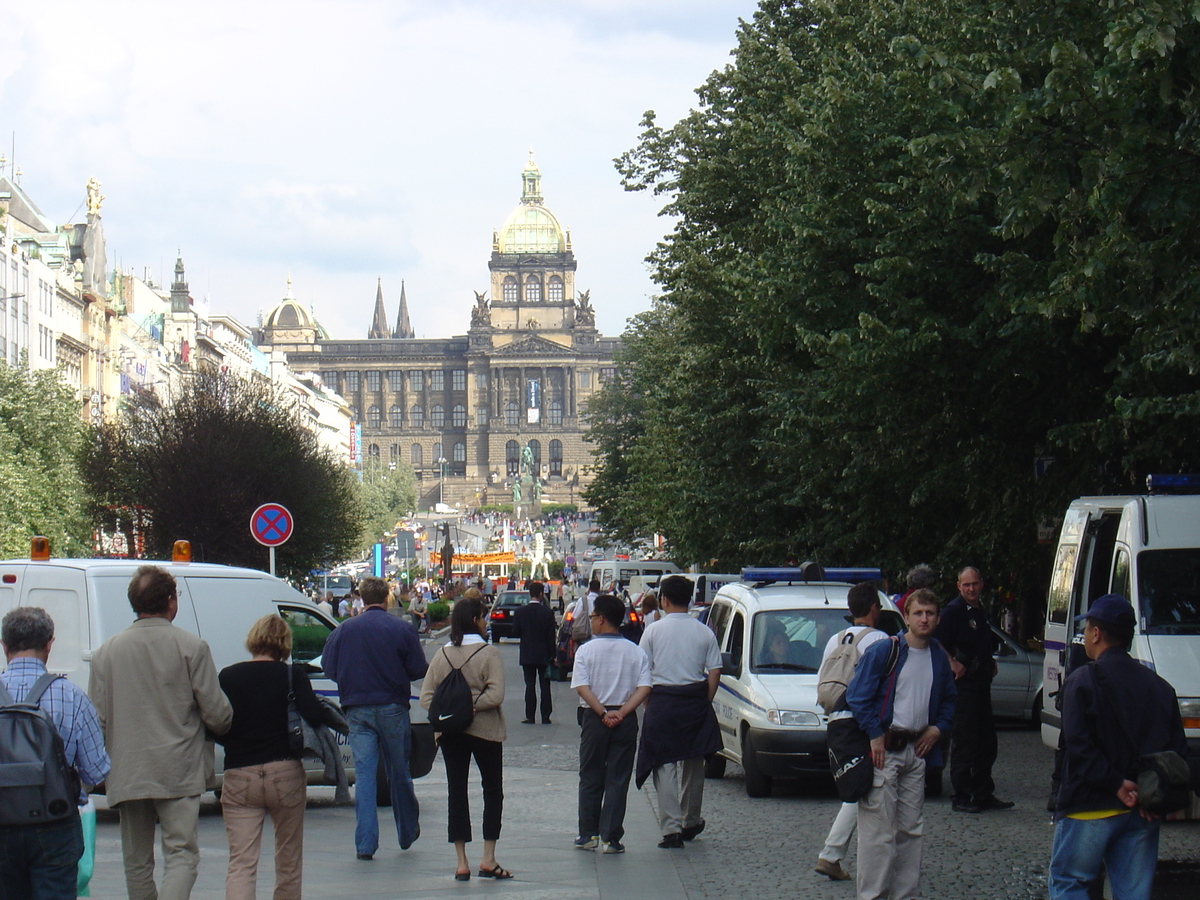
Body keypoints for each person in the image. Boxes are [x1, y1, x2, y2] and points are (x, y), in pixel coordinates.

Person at [88, 565, 234, 900]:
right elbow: (217, 713)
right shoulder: (191, 647)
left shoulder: (106, 653)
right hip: (178, 768)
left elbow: (98, 720)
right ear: (171, 602)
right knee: (181, 854)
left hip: (127, 768)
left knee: (136, 861)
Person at [1048, 594, 1188, 900]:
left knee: (1069, 882)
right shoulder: (1161, 687)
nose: (1084, 637)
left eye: (1085, 630)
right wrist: (1152, 794)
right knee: (1133, 893)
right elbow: (1177, 752)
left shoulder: (1082, 681)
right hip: (1142, 810)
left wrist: (1115, 783)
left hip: (1090, 806)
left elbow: (1078, 746)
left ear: (1096, 634)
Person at [846, 589, 956, 900]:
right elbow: (858, 695)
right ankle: (872, 895)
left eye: (930, 613)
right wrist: (873, 734)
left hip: (917, 751)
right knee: (878, 833)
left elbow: (949, 700)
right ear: (905, 617)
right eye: (918, 613)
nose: (924, 619)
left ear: (937, 618)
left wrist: (937, 729)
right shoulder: (885, 651)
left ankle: (904, 895)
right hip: (884, 751)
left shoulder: (937, 656)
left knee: (910, 831)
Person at [0, 607, 110, 900]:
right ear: (49, 644)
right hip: (54, 826)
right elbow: (96, 772)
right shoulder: (72, 696)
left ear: (4, 645)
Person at [217, 615, 325, 900]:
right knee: (288, 859)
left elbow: (215, 723)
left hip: (240, 773)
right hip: (285, 771)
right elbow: (314, 715)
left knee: (242, 862)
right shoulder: (293, 675)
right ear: (284, 644)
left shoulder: (228, 676)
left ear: (253, 639)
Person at [322, 575, 428, 860]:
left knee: (365, 775)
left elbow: (329, 667)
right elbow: (418, 667)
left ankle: (365, 843)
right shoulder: (400, 628)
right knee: (399, 771)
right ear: (386, 599)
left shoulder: (345, 630)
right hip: (393, 705)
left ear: (361, 598)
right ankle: (406, 831)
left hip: (357, 708)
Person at [419, 597, 511, 881]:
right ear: (474, 620)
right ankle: (488, 857)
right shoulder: (488, 653)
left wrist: (452, 711)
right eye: (483, 618)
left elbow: (426, 698)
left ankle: (461, 862)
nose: (486, 623)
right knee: (492, 790)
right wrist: (473, 706)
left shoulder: (441, 654)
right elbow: (496, 694)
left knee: (456, 791)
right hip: (485, 729)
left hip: (450, 732)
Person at [634, 574, 722, 849]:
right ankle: (690, 819)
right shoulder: (703, 631)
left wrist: (649, 704)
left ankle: (671, 829)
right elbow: (715, 671)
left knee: (664, 765)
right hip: (695, 700)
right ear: (691, 599)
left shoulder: (653, 631)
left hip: (662, 700)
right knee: (694, 763)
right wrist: (704, 701)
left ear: (664, 600)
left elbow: (643, 671)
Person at [814, 582, 888, 882]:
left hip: (836, 719)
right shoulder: (880, 640)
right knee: (862, 787)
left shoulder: (835, 639)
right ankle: (832, 854)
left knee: (858, 785)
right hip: (862, 721)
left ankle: (832, 855)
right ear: (873, 608)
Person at [571, 594, 652, 854]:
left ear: (602, 620)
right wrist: (623, 711)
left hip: (595, 719)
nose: (592, 621)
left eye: (593, 616)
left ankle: (588, 834)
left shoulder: (586, 650)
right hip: (625, 720)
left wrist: (603, 712)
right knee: (618, 778)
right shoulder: (636, 651)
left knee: (590, 775)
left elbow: (582, 687)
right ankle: (611, 837)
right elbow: (644, 687)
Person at [934, 566, 1013, 813]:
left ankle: (982, 792)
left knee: (986, 742)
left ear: (981, 584)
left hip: (981, 683)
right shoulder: (953, 611)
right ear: (959, 586)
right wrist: (952, 662)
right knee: (965, 742)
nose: (971, 589)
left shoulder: (980, 611)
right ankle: (961, 796)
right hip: (963, 686)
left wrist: (990, 663)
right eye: (966, 585)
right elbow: (936, 641)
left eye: (975, 584)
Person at [513, 580, 557, 724]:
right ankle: (545, 716)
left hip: (527, 653)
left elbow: (515, 632)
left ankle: (530, 716)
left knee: (529, 685)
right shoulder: (548, 613)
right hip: (544, 654)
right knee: (545, 686)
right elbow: (551, 637)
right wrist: (553, 655)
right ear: (540, 594)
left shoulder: (520, 612)